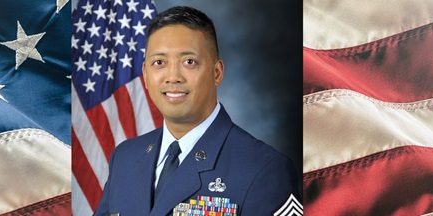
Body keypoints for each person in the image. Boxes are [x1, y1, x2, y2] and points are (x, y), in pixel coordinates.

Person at [94, 6, 301, 216]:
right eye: (159, 62)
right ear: (145, 75)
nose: (173, 76)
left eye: (189, 62)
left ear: (217, 73)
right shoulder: (125, 158)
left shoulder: (265, 169)